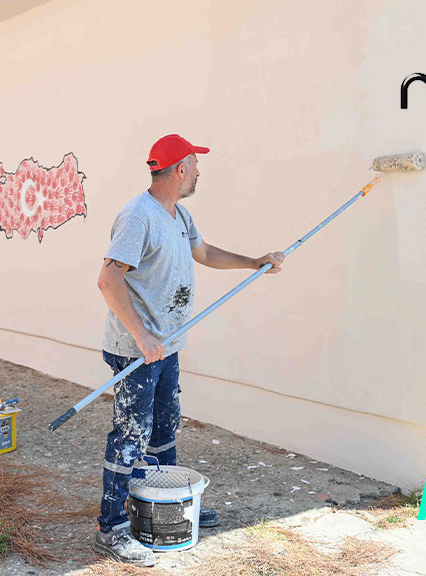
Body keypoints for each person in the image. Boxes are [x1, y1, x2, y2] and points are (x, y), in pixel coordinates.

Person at [93, 134, 285, 566]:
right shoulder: (137, 217)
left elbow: (205, 253)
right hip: (136, 350)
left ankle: (167, 506)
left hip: (167, 345)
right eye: (196, 165)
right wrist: (142, 337)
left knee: (162, 431)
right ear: (180, 169)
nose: (199, 172)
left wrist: (255, 262)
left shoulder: (179, 214)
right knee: (130, 436)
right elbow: (108, 280)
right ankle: (112, 527)